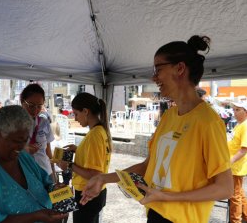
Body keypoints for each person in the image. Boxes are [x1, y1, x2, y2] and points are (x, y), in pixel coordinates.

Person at [80, 35, 233, 223]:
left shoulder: (208, 121)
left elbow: (225, 188)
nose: (154, 77)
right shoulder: (168, 116)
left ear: (180, 68)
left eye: (158, 69)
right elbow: (146, 166)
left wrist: (167, 197)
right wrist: (103, 178)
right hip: (155, 213)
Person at [0, 105, 67, 223]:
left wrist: (57, 191)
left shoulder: (23, 157)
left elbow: (46, 184)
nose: (21, 147)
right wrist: (36, 216)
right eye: (15, 141)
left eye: (25, 140)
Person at [57, 92, 112, 223]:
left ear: (86, 111)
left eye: (76, 114)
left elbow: (94, 174)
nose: (75, 119)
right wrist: (78, 150)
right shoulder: (100, 131)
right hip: (94, 192)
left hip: (87, 194)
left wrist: (69, 165)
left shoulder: (94, 135)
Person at [20, 83, 56, 182]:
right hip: (24, 175)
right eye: (31, 106)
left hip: (45, 172)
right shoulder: (13, 123)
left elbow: (48, 152)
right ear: (23, 102)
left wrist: (54, 176)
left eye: (39, 106)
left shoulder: (44, 122)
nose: (35, 110)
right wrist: (23, 149)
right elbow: (5, 149)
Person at [228, 102, 247, 223]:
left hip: (236, 166)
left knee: (235, 196)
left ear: (245, 111)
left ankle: (235, 221)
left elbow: (244, 149)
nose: (234, 112)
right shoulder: (239, 125)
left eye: (238, 110)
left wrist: (229, 162)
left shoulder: (245, 126)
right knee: (239, 194)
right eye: (234, 109)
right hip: (234, 166)